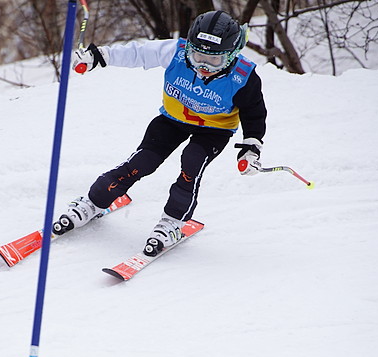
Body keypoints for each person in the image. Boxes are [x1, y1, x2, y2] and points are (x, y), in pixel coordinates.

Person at [53, 10, 267, 256]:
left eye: (214, 61)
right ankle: (92, 202)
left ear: (231, 55)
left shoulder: (244, 77)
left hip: (214, 131)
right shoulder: (176, 51)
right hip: (172, 120)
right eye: (197, 56)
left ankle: (172, 222)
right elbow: (139, 53)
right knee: (141, 162)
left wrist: (250, 149)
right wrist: (99, 56)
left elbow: (254, 114)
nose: (203, 66)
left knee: (191, 163)